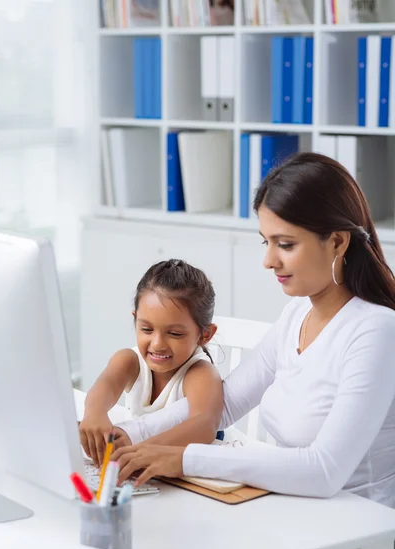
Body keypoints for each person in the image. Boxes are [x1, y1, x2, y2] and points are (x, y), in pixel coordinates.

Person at [110, 152, 395, 509]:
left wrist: (183, 458)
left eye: (286, 244)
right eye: (267, 242)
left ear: (338, 242)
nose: (268, 260)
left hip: (357, 527)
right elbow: (223, 404)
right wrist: (125, 435)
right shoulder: (298, 314)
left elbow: (325, 470)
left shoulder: (376, 332)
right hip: (295, 508)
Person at [79, 259, 223, 467]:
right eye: (146, 329)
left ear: (205, 335)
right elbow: (106, 387)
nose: (157, 344)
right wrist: (94, 415)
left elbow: (205, 426)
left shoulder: (200, 373)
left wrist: (141, 450)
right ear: (135, 320)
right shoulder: (129, 360)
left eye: (174, 333)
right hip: (145, 469)